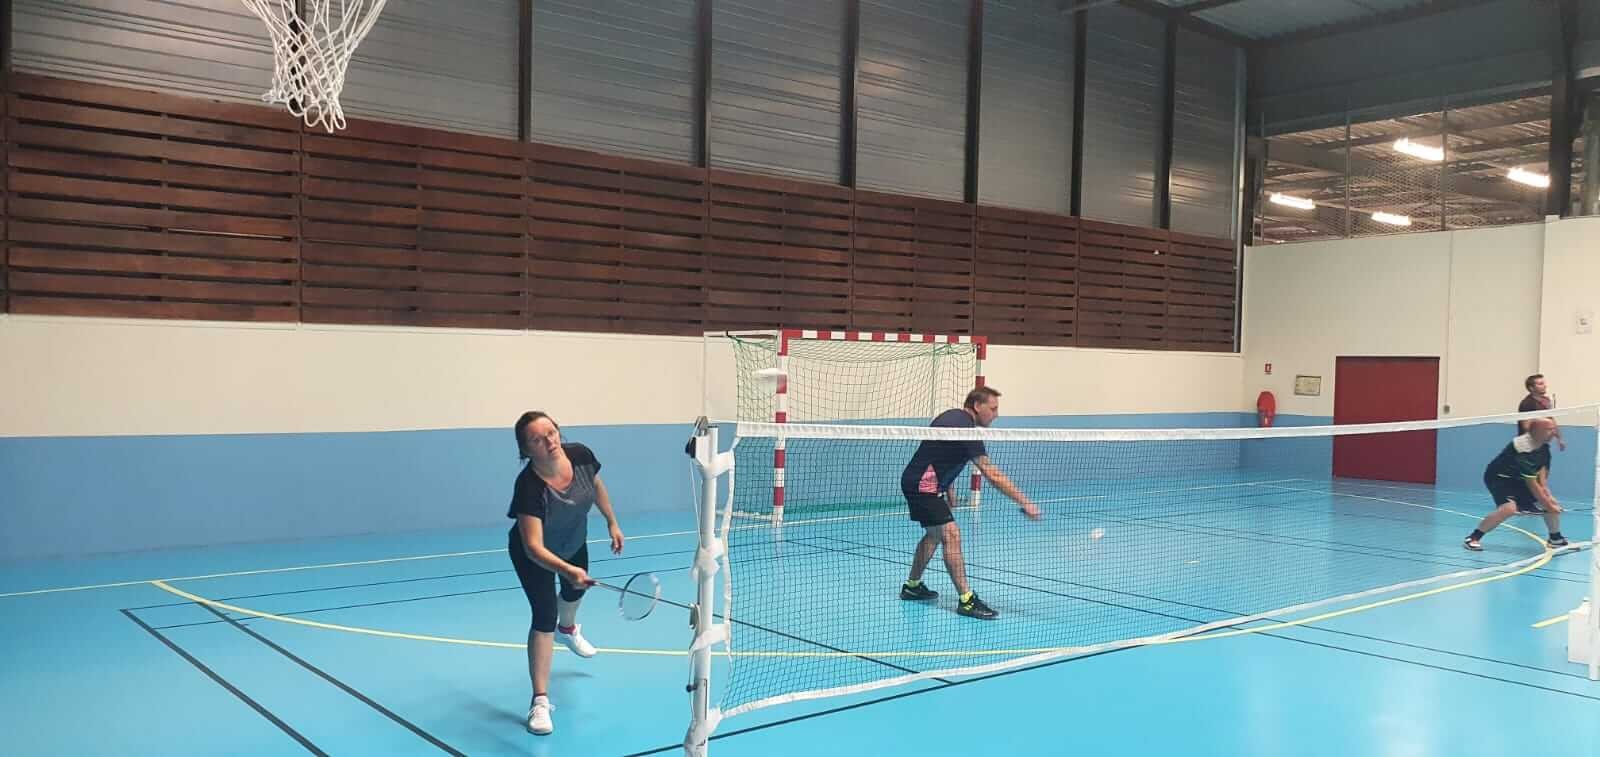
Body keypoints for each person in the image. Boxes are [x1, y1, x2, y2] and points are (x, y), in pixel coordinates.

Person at [506, 411, 626, 736]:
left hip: (573, 540)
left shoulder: (582, 455)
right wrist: (568, 569)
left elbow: (596, 486)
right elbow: (533, 546)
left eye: (551, 432)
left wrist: (611, 522)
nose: (548, 440)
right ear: (526, 450)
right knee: (544, 616)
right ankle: (540, 702)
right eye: (537, 439)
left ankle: (568, 628)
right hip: (535, 555)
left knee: (576, 591)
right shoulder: (529, 487)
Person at [898, 386, 1040, 620]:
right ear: (977, 405)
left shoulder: (950, 417)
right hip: (924, 487)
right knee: (951, 535)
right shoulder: (966, 429)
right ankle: (966, 600)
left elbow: (937, 453)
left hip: (921, 482)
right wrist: (1025, 502)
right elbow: (991, 473)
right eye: (993, 409)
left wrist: (948, 486)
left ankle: (913, 586)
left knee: (934, 535)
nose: (996, 415)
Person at [1464, 418, 1567, 552]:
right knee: (1509, 509)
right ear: (1537, 431)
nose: (1554, 432)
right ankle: (1473, 538)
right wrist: (1549, 506)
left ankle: (1556, 539)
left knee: (1548, 501)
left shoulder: (1543, 445)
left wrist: (1547, 494)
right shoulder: (1523, 448)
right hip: (1500, 477)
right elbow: (1532, 484)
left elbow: (1541, 468)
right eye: (1549, 429)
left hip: (1519, 478)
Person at [1517, 374, 1565, 450]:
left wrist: (1559, 438)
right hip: (1527, 446)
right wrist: (1543, 425)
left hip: (1541, 444)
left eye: (1544, 383)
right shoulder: (1527, 404)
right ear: (1531, 388)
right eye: (1540, 384)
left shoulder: (1546, 401)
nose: (1545, 386)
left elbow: (1551, 420)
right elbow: (1526, 427)